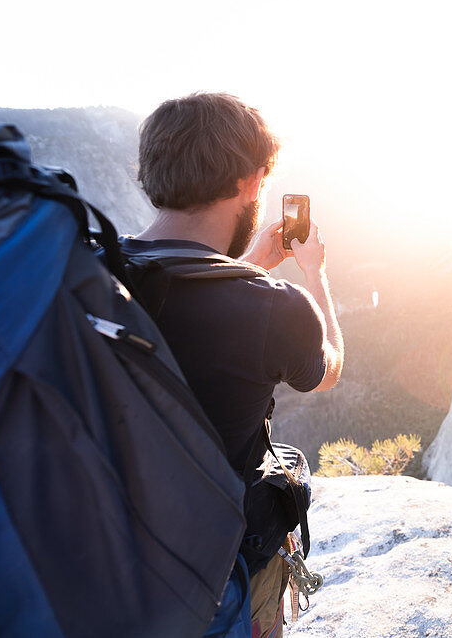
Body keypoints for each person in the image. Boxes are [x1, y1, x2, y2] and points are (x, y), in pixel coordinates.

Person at [121, 91, 343, 636]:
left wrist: (249, 265)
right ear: (249, 182)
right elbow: (327, 370)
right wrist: (312, 275)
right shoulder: (273, 306)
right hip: (215, 568)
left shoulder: (92, 264)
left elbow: (179, 299)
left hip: (102, 549)